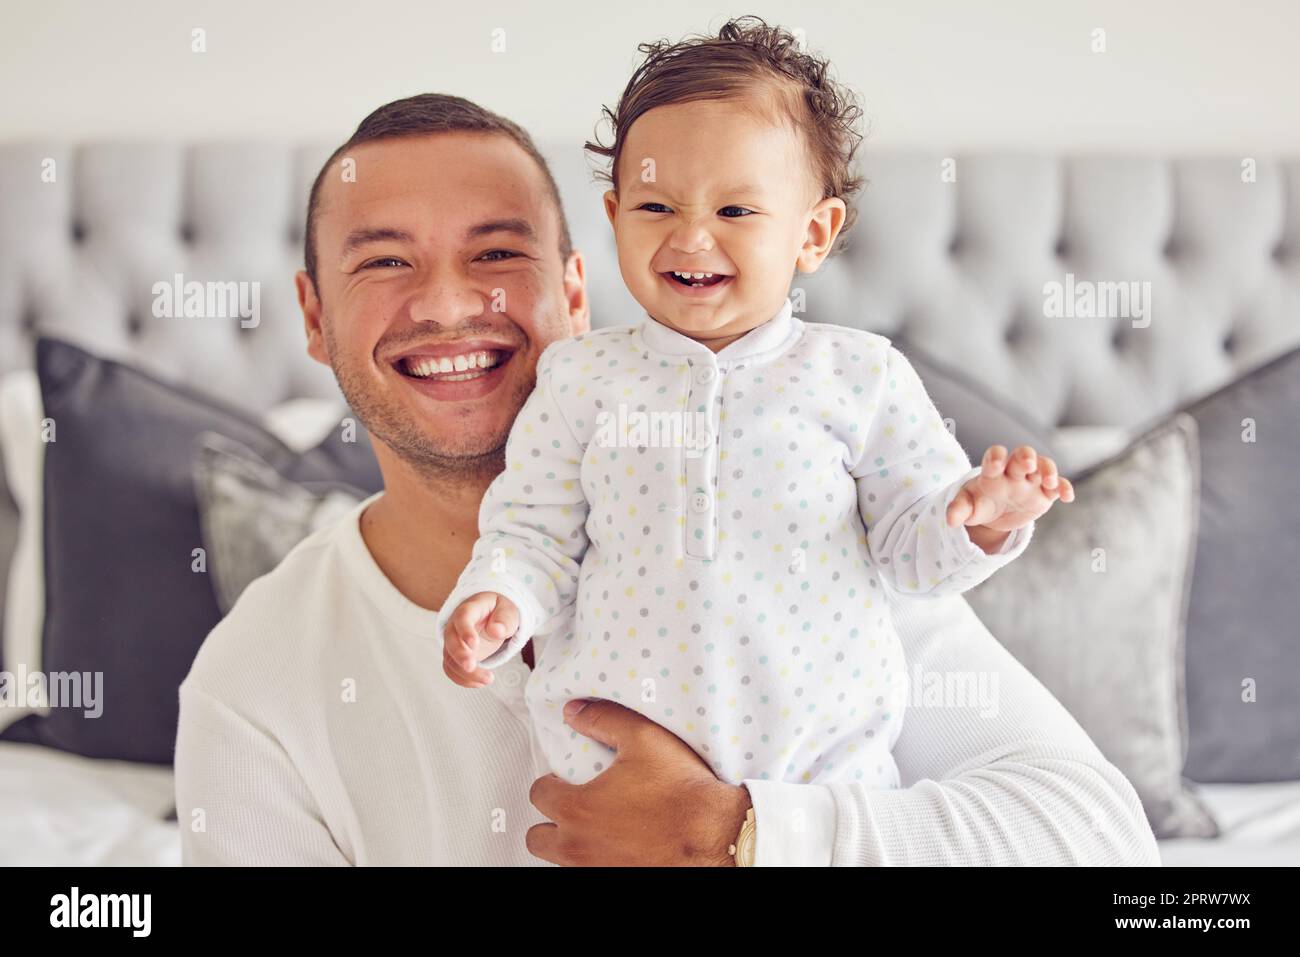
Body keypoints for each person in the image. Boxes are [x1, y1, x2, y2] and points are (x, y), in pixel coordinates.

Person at [174, 90, 1159, 866]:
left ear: (574, 288)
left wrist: (742, 838)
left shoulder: (805, 519)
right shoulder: (258, 676)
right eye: (385, 262)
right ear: (311, 315)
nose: (448, 304)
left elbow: (1100, 849)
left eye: (498, 252)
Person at [436, 17, 1075, 791]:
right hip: (609, 778)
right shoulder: (579, 378)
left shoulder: (858, 375)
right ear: (612, 219)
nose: (692, 239)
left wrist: (979, 517)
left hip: (821, 781)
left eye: (735, 212)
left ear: (813, 233)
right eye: (655, 208)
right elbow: (534, 532)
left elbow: (912, 558)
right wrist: (497, 597)